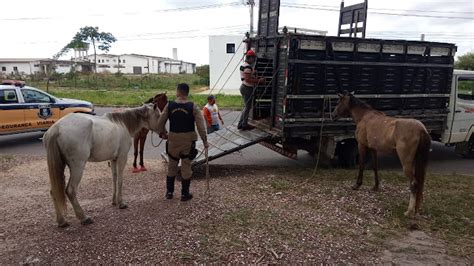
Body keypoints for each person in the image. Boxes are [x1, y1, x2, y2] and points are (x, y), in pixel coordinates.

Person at [157, 83, 209, 201]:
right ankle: (185, 194)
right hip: (188, 141)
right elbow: (201, 126)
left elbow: (160, 122)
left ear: (178, 92)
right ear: (187, 93)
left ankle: (169, 192)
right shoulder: (193, 106)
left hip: (173, 140)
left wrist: (163, 133)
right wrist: (205, 141)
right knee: (186, 166)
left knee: (172, 165)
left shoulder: (169, 105)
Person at [238, 49, 266, 130]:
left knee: (246, 107)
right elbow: (248, 79)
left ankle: (241, 124)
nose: (254, 60)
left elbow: (247, 77)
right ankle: (244, 124)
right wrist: (259, 81)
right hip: (247, 88)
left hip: (244, 87)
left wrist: (253, 73)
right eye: (253, 58)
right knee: (247, 107)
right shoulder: (248, 67)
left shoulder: (243, 65)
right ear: (250, 58)